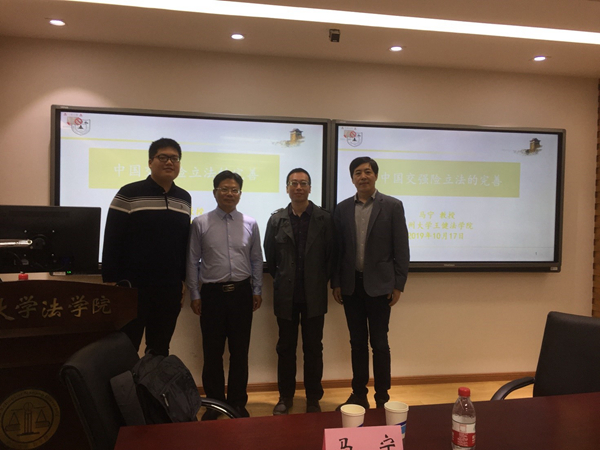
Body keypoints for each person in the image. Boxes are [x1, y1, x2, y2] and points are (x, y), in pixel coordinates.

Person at [332, 156, 409, 410]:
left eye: (367, 172)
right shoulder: (342, 209)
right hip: (351, 287)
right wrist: (336, 282)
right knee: (357, 343)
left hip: (380, 287)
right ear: (352, 178)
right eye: (357, 172)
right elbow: (338, 250)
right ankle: (358, 393)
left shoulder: (392, 206)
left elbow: (401, 248)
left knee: (379, 344)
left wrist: (398, 284)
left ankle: (382, 396)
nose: (363, 176)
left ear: (375, 175)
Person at [102, 137, 191, 356]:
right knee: (125, 347)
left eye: (174, 158)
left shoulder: (184, 198)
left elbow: (183, 243)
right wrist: (110, 281)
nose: (169, 162)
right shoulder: (129, 193)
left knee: (159, 350)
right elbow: (112, 237)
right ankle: (127, 382)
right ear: (150, 162)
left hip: (169, 289)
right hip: (132, 287)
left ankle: (153, 381)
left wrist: (182, 280)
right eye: (163, 157)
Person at [186, 170, 263, 419]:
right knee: (212, 352)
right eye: (224, 189)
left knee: (240, 352)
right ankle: (215, 404)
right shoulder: (200, 223)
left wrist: (257, 289)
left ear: (240, 194)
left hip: (241, 293)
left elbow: (256, 259)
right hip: (212, 295)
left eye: (234, 190)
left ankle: (238, 403)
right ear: (214, 192)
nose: (229, 194)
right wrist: (194, 293)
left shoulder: (250, 223)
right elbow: (192, 260)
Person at [264, 168, 335, 415]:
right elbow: (271, 259)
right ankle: (285, 396)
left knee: (314, 349)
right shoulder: (276, 220)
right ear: (287, 188)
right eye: (293, 183)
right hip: (286, 296)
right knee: (285, 348)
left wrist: (317, 280)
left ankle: (313, 398)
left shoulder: (324, 219)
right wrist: (284, 280)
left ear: (310, 188)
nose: (298, 187)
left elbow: (331, 257)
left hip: (314, 295)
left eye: (303, 183)